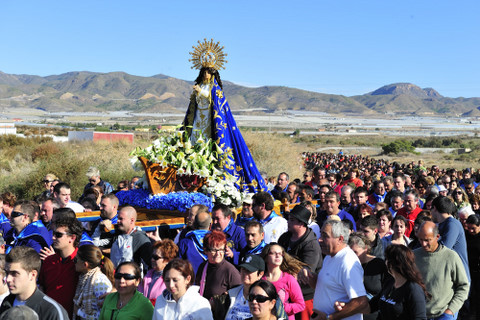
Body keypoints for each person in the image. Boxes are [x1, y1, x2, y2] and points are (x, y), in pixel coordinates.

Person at [182, 41, 267, 193]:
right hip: (197, 123)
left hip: (209, 123)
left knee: (209, 148)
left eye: (208, 72)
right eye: (204, 72)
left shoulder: (214, 89)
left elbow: (215, 104)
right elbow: (192, 108)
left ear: (213, 73)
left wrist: (200, 92)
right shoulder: (199, 87)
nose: (206, 74)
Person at [301, 220, 368, 320]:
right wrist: (310, 277)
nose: (320, 239)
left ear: (340, 239)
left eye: (325, 236)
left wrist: (330, 317)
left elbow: (361, 302)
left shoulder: (347, 262)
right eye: (321, 235)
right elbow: (328, 287)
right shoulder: (329, 256)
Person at [354, 244, 428, 320]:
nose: (385, 262)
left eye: (387, 259)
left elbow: (420, 318)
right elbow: (369, 307)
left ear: (393, 263)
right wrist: (346, 306)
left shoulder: (413, 289)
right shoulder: (390, 283)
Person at [414, 221, 469, 320]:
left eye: (427, 240)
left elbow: (464, 286)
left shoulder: (451, 257)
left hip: (443, 314)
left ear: (437, 237)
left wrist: (451, 310)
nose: (423, 244)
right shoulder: (412, 256)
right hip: (419, 314)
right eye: (420, 239)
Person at [277, 205, 322, 320]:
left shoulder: (311, 245)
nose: (288, 222)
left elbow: (305, 275)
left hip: (304, 296)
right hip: (285, 292)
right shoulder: (284, 238)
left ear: (301, 223)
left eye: (292, 220)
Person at [0, 246, 69, 319]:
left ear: (33, 275)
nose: (8, 279)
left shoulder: (52, 311)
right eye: (7, 273)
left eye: (14, 273)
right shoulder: (7, 302)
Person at [38, 216, 83, 318]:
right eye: (53, 234)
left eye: (58, 235)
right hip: (49, 316)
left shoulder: (83, 262)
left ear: (72, 238)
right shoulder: (49, 261)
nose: (53, 237)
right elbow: (42, 287)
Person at [348, 233, 388, 320]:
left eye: (355, 252)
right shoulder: (347, 266)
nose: (352, 256)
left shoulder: (379, 264)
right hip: (351, 314)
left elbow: (387, 289)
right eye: (350, 252)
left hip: (374, 315)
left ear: (365, 249)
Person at [261, 244, 305, 320]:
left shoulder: (289, 279)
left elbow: (301, 305)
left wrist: (280, 307)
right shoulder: (260, 279)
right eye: (274, 253)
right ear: (266, 257)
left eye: (280, 253)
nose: (278, 256)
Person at [195, 230, 242, 300]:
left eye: (221, 250)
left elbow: (239, 296)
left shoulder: (230, 271)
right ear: (205, 250)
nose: (218, 254)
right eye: (214, 250)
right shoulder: (203, 267)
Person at [73, 244, 114, 320]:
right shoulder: (85, 278)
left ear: (85, 264)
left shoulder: (99, 282)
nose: (73, 262)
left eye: (75, 260)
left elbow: (105, 316)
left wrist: (79, 312)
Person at [110, 206, 152, 271]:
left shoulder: (140, 238)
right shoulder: (116, 233)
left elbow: (150, 264)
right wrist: (99, 228)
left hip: (130, 278)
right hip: (115, 277)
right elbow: (96, 243)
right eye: (118, 218)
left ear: (131, 220)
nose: (117, 221)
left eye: (121, 219)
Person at [138, 239, 178, 305]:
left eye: (156, 257)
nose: (152, 259)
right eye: (152, 256)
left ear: (167, 260)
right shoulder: (148, 275)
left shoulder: (172, 278)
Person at [465, 215, 480, 320]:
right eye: (468, 227)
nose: (470, 230)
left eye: (473, 228)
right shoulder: (466, 235)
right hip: (468, 269)